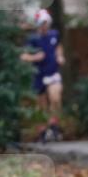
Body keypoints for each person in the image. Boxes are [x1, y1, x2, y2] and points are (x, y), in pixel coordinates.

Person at [20, 8, 64, 142]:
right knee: (41, 105)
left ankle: (54, 124)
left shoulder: (54, 35)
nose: (45, 26)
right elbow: (23, 56)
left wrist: (60, 56)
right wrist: (34, 57)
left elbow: (58, 46)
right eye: (42, 23)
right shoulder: (32, 39)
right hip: (39, 75)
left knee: (55, 98)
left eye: (46, 23)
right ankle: (44, 132)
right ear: (39, 24)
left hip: (52, 73)